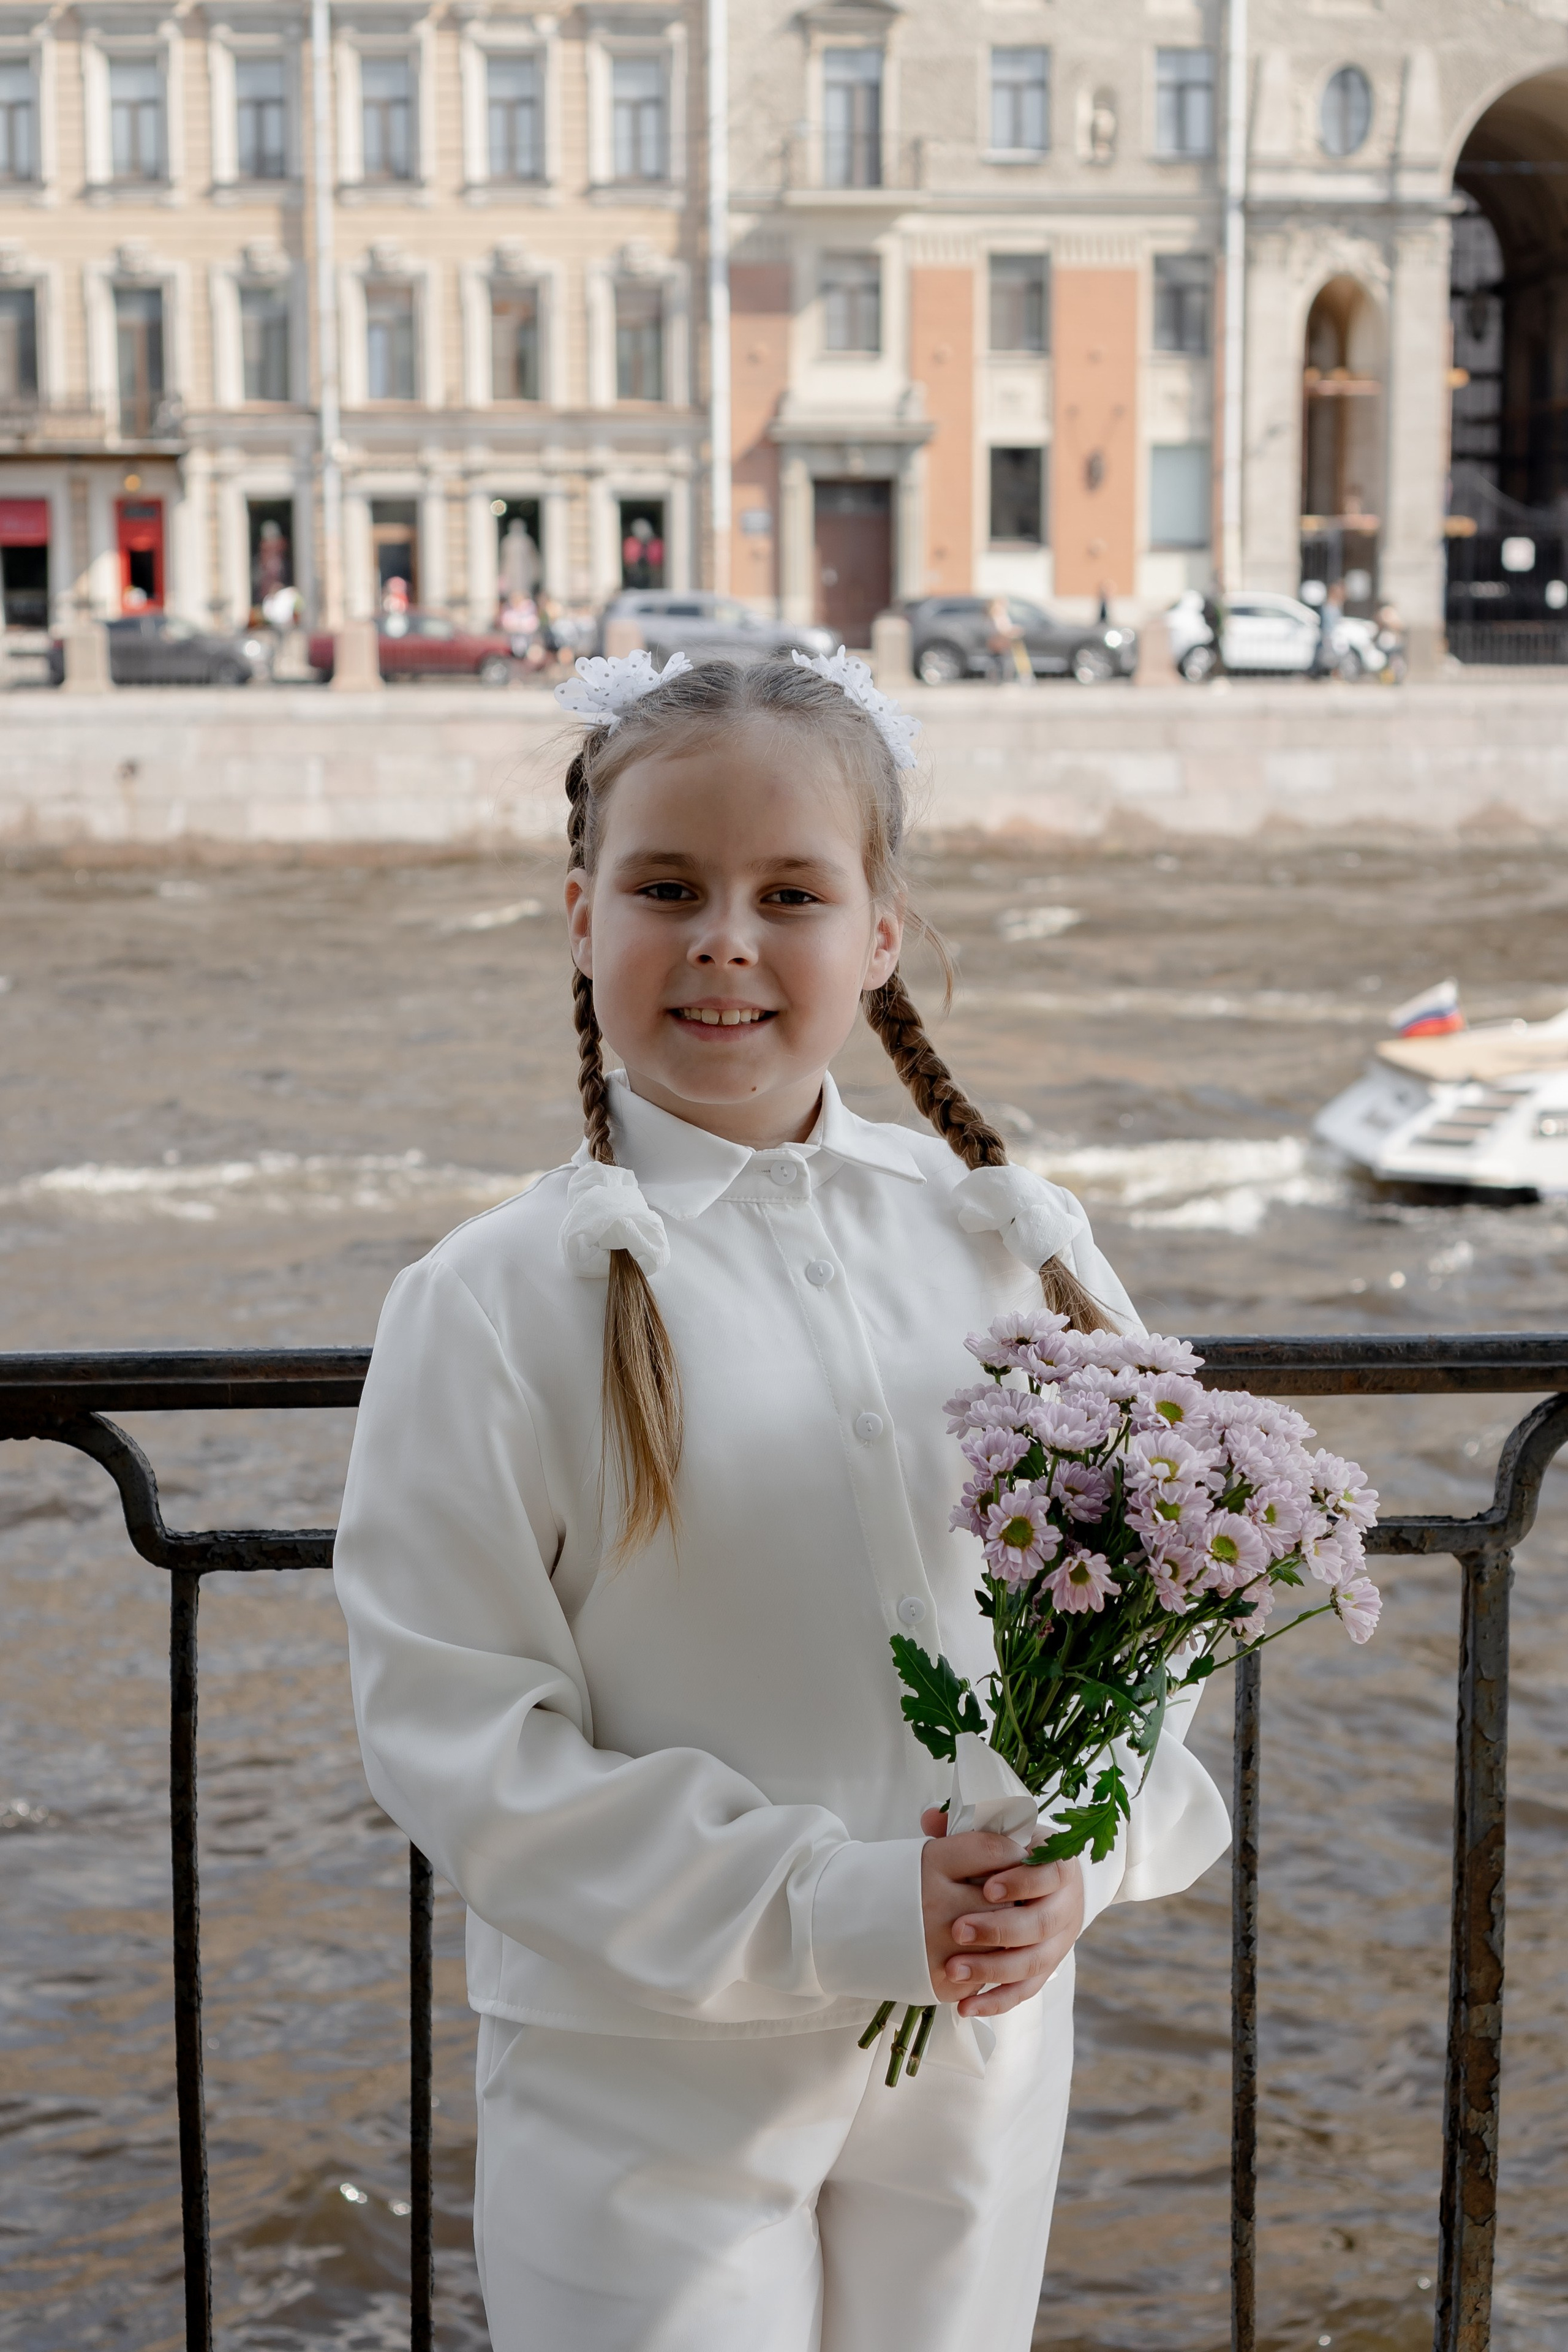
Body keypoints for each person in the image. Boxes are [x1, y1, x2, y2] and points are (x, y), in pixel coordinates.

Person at [333, 651, 1229, 2352]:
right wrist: (837, 1906)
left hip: (976, 2036)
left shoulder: (1005, 1237)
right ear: (583, 914)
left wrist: (1079, 1857)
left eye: (791, 893)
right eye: (670, 887)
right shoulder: (491, 1301)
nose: (726, 939)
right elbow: (461, 1737)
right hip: (648, 2071)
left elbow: (1160, 1599)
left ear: (879, 935)